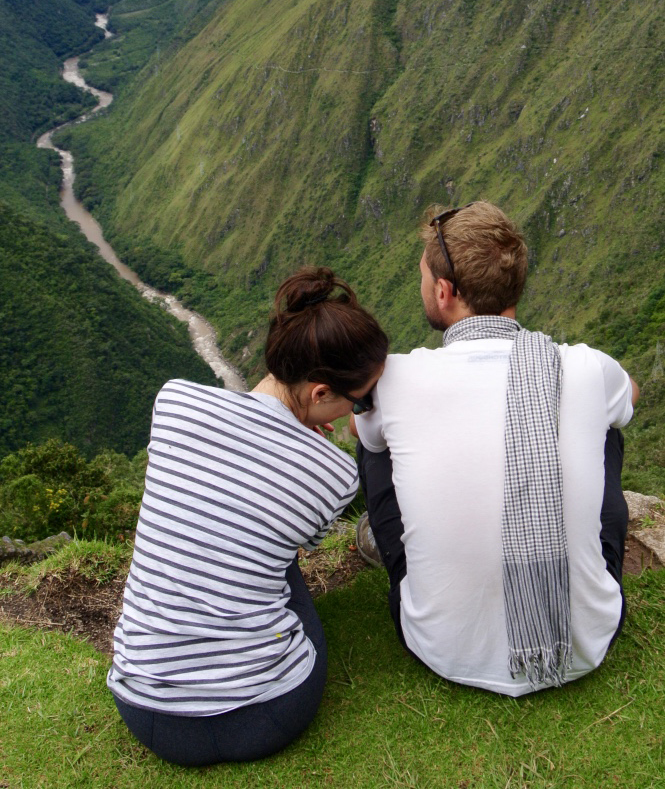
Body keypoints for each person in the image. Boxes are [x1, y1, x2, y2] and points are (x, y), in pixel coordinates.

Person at [353, 200, 638, 696]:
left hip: (441, 647)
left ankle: (398, 546)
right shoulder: (585, 366)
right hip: (582, 645)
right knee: (610, 426)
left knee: (371, 437)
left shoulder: (397, 378)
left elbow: (366, 435)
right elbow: (629, 393)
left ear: (444, 292)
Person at [108, 266, 388, 766]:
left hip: (141, 707)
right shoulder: (334, 474)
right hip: (265, 714)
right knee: (278, 560)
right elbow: (299, 547)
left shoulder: (173, 400)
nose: (357, 414)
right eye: (359, 400)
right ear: (320, 392)